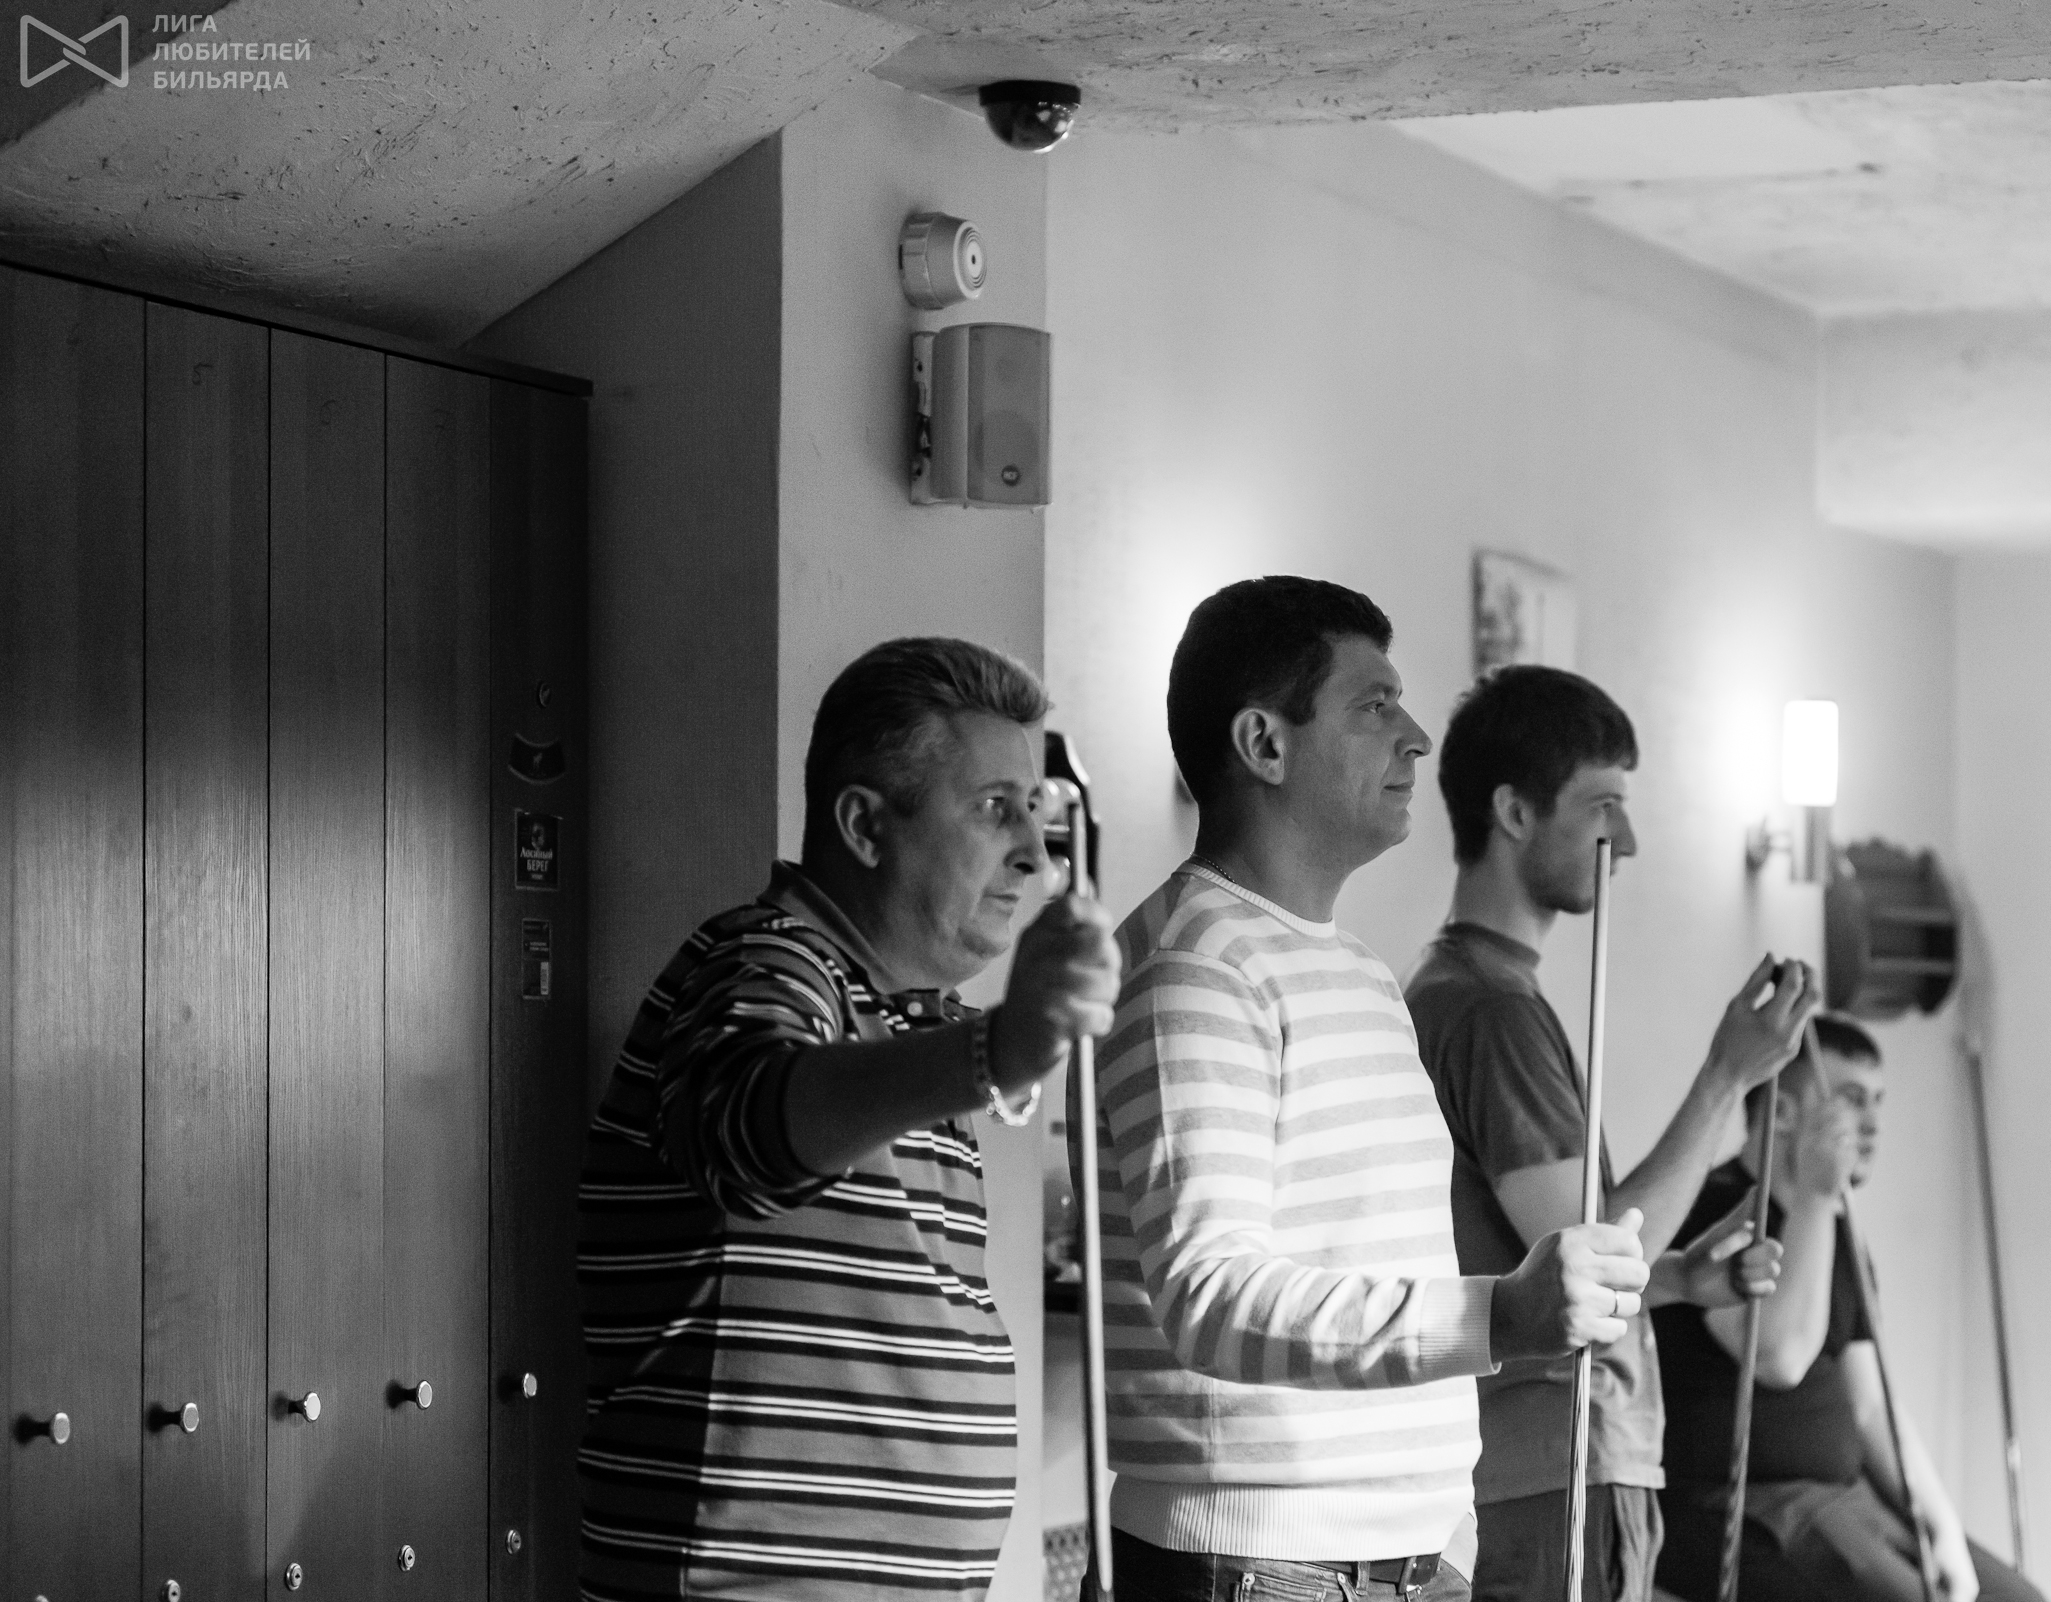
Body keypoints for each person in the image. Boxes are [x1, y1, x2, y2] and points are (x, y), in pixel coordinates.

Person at [1091, 576, 1654, 1601]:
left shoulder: (1355, 970)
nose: (1416, 737)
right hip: (1260, 1564)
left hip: (1396, 1561)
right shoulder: (1194, 966)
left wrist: (1443, 1535)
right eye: (1374, 705)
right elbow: (1209, 1297)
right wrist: (1499, 1315)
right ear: (1264, 744)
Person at [577, 637, 1121, 1600]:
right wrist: (996, 1051)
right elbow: (752, 1131)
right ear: (867, 826)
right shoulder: (764, 962)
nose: (1035, 856)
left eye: (1035, 812)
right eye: (995, 809)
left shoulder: (914, 1020)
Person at [1406, 663, 1817, 1602]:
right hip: (1556, 1469)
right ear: (1515, 812)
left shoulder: (1473, 988)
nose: (1624, 841)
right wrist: (1726, 1077)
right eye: (1603, 807)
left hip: (1553, 1466)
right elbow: (1591, 1256)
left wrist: (1678, 1280)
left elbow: (1547, 1263)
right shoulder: (1490, 1010)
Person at [1652, 1016, 2045, 1602]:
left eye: (1878, 1102)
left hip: (1846, 1501)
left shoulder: (1837, 1234)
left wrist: (1939, 1524)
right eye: (1851, 1100)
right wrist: (1816, 1195)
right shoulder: (1714, 1210)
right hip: (1745, 1509)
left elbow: (1870, 1405)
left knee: (2017, 1599)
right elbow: (1780, 1357)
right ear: (1783, 1112)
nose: (1873, 1124)